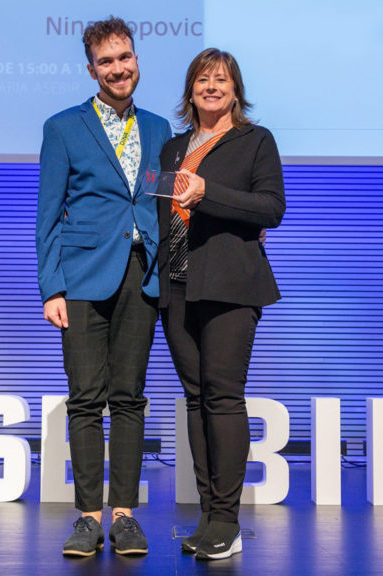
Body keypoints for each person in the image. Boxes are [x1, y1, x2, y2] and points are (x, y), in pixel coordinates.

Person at [35, 16, 171, 557]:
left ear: (137, 60)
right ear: (92, 69)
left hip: (143, 274)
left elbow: (162, 203)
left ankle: (125, 515)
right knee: (86, 400)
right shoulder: (63, 127)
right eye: (107, 61)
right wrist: (52, 287)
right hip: (84, 277)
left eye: (125, 57)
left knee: (130, 398)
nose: (119, 68)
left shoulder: (160, 128)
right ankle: (89, 517)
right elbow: (48, 214)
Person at [157, 48, 286, 560]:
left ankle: (227, 521)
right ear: (190, 90)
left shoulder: (255, 140)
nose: (212, 86)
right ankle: (208, 514)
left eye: (222, 80)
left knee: (224, 398)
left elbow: (272, 208)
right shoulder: (171, 149)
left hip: (231, 285)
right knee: (195, 398)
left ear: (236, 90)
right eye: (202, 79)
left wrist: (209, 193)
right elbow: (160, 205)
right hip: (177, 286)